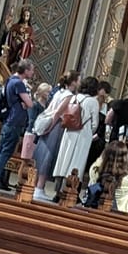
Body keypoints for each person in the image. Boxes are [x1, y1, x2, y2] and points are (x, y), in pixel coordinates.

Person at [33, 71, 80, 201]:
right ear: (74, 82)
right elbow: (58, 112)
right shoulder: (69, 96)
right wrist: (49, 127)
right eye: (78, 80)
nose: (79, 82)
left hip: (49, 122)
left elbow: (50, 109)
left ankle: (36, 185)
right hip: (55, 125)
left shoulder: (59, 92)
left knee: (42, 154)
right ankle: (40, 187)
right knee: (48, 155)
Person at [0, 58, 34, 189]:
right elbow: (30, 103)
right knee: (6, 151)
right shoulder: (19, 83)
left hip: (8, 119)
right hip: (15, 120)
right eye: (31, 70)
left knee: (0, 150)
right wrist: (26, 103)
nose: (32, 73)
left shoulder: (10, 80)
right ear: (25, 70)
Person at [88, 138, 128, 213]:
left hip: (94, 213)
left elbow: (100, 160)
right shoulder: (127, 180)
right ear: (125, 159)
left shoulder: (94, 171)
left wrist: (113, 148)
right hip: (116, 218)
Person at [21, 82, 51, 160]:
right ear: (42, 92)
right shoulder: (35, 105)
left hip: (39, 135)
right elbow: (31, 120)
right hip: (32, 134)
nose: (49, 94)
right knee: (26, 159)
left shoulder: (47, 106)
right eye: (47, 92)